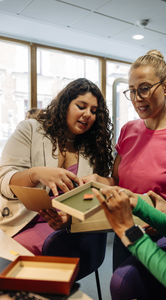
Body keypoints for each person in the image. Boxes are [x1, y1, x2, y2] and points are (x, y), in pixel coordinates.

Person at [93, 64, 166, 300]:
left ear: (165, 88)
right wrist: (135, 203)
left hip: (160, 235)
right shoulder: (129, 130)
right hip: (144, 225)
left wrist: (133, 231)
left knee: (124, 282)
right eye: (131, 91)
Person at [82, 49, 166, 269]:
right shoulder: (129, 130)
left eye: (144, 89)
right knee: (119, 289)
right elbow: (117, 182)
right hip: (127, 229)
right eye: (131, 91)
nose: (137, 98)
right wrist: (97, 180)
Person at [0, 78, 113, 279]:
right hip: (19, 221)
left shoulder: (94, 149)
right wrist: (35, 174)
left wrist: (71, 219)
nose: (88, 114)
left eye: (94, 111)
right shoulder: (30, 129)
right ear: (65, 105)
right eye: (81, 106)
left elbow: (100, 197)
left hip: (65, 229)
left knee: (22, 267)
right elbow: (4, 180)